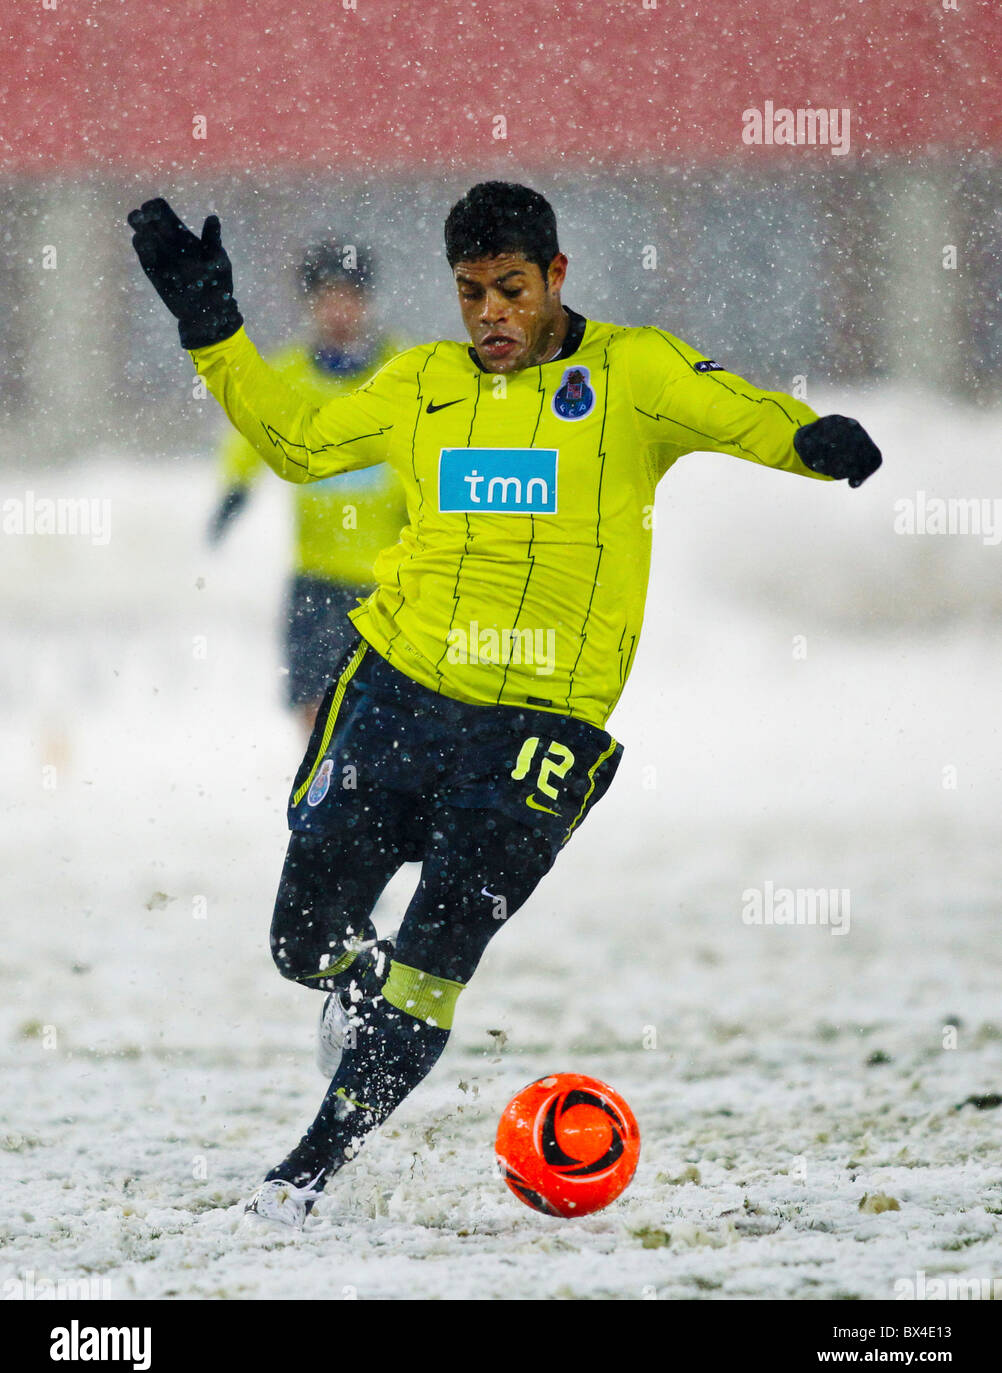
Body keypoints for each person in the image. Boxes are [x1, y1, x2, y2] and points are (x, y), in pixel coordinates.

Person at [127, 182, 882, 1229]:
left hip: (542, 726)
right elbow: (298, 443)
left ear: (557, 276)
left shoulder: (635, 373)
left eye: (512, 289)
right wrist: (211, 329)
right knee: (301, 941)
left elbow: (746, 415)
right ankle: (359, 983)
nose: (491, 314)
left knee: (436, 968)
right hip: (398, 689)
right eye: (472, 291)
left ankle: (300, 1179)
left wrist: (815, 441)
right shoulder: (423, 382)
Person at [208, 241, 407, 738]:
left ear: (367, 302)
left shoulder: (405, 370)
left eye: (350, 297)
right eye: (328, 298)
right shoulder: (289, 372)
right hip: (317, 573)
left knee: (391, 707)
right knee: (313, 702)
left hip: (392, 575)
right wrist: (235, 490)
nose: (340, 310)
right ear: (311, 304)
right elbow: (252, 427)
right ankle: (326, 792)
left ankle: (378, 800)